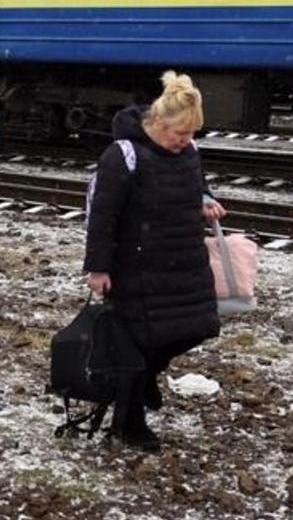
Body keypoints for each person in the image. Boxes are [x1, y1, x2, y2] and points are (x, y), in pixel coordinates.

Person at [84, 70, 225, 452]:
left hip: (183, 263)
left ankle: (145, 382)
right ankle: (129, 424)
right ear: (159, 124)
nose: (186, 142)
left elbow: (194, 184)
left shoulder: (189, 151)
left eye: (191, 135)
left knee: (198, 328)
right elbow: (103, 215)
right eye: (181, 134)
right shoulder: (122, 155)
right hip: (136, 268)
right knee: (135, 350)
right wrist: (98, 268)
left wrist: (206, 200)